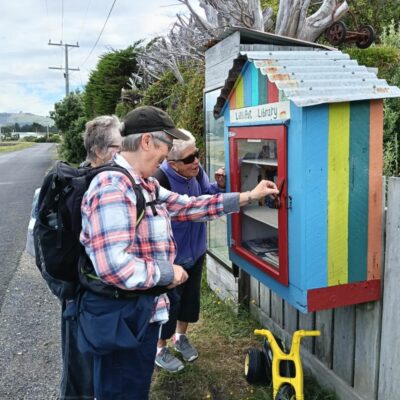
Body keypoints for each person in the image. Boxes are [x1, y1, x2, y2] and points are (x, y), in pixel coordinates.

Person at [76, 105, 279, 400]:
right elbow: (114, 266)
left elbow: (187, 206)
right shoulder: (112, 187)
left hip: (137, 314)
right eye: (167, 145)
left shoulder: (142, 183)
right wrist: (168, 273)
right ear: (147, 141)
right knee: (120, 390)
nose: (168, 154)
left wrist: (248, 196)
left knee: (133, 386)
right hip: (119, 318)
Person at [60, 115, 122, 400]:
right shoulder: (88, 186)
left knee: (93, 367)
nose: (121, 153)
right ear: (99, 151)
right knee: (80, 373)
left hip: (86, 290)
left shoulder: (87, 178)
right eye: (117, 147)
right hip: (82, 293)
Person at [153, 129, 225, 372]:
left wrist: (219, 186)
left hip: (196, 251)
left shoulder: (196, 171)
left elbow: (206, 196)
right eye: (188, 159)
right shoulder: (158, 181)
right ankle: (160, 348)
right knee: (168, 305)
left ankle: (180, 337)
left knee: (190, 299)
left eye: (197, 154)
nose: (196, 161)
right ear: (172, 164)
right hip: (172, 259)